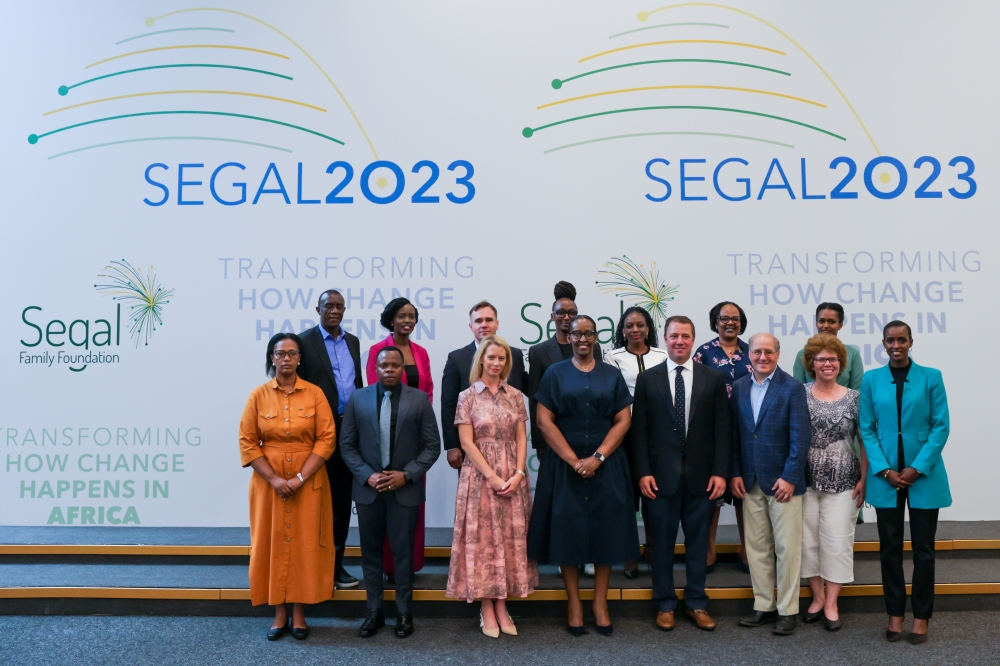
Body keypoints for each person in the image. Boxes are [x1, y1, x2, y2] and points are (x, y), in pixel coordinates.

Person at [527, 315, 638, 636]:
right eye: (577, 334)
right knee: (567, 532)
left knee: (606, 531)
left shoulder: (610, 374)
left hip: (607, 464)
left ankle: (600, 603)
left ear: (596, 336)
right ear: (568, 335)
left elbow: (623, 420)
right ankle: (574, 603)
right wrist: (575, 460)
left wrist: (598, 457)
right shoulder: (554, 373)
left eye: (589, 333)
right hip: (564, 466)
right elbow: (544, 421)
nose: (583, 339)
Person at [630, 316, 731, 632]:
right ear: (665, 337)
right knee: (660, 544)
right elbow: (639, 432)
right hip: (659, 479)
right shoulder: (649, 379)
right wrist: (643, 472)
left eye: (685, 336)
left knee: (698, 545)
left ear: (693, 339)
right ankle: (664, 604)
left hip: (702, 479)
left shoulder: (712, 378)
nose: (679, 341)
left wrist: (720, 473)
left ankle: (697, 603)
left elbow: (722, 431)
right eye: (674, 336)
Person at [238, 333, 336, 641]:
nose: (286, 359)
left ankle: (299, 614)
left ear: (299, 359)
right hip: (269, 483)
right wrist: (276, 479)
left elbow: (327, 439)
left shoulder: (315, 394)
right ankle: (278, 613)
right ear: (272, 358)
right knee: (273, 542)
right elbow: (248, 442)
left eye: (292, 354)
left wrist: (299, 478)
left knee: (306, 544)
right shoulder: (258, 396)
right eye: (280, 354)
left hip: (309, 480)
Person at [339, 346, 442, 638]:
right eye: (384, 365)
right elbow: (347, 446)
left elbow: (432, 446)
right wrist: (367, 476)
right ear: (375, 368)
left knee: (403, 555)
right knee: (370, 554)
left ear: (402, 369)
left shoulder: (419, 400)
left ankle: (404, 613)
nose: (389, 370)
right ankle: (374, 612)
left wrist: (406, 475)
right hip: (368, 490)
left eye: (395, 365)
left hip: (404, 490)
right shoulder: (357, 399)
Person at [860, 321, 950, 645]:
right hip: (887, 479)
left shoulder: (931, 377)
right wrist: (884, 470)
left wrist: (916, 468)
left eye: (902, 340)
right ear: (883, 343)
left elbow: (941, 427)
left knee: (924, 550)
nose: (896, 345)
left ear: (911, 341)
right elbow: (867, 429)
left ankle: (922, 616)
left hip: (923, 475)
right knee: (890, 549)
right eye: (890, 340)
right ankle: (895, 613)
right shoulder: (870, 380)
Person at [446, 335, 538, 637]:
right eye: (492, 358)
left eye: (502, 359)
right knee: (484, 540)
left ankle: (502, 603)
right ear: (481, 360)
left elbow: (522, 437)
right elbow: (466, 443)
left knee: (510, 540)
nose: (497, 363)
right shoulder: (467, 396)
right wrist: (494, 478)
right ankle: (486, 607)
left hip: (513, 476)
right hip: (480, 479)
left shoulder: (515, 395)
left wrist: (520, 473)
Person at [730, 332, 810, 636]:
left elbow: (800, 438)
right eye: (757, 352)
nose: (762, 357)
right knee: (757, 548)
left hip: (783, 484)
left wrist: (790, 477)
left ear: (778, 354)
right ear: (748, 354)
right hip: (749, 482)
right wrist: (735, 472)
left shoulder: (792, 388)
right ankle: (762, 605)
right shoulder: (738, 388)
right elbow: (736, 436)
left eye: (768, 352)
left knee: (788, 549)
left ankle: (788, 610)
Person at [799, 333, 868, 632]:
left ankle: (831, 602)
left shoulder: (855, 398)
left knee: (837, 542)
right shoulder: (797, 394)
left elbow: (864, 440)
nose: (827, 364)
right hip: (803, 481)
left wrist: (865, 478)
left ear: (841, 364)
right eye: (821, 359)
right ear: (811, 363)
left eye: (833, 359)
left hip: (845, 480)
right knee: (807, 541)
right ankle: (816, 596)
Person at [297, 289, 364, 590]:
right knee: (311, 505)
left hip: (348, 432)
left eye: (339, 306)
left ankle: (336, 567)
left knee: (340, 504)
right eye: (328, 306)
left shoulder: (353, 341)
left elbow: (357, 385)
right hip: (315, 435)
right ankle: (311, 569)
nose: (334, 311)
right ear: (318, 309)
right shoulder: (303, 342)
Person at [366, 297, 433, 578]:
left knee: (410, 504)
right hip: (383, 439)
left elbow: (427, 392)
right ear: (391, 320)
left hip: (414, 442)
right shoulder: (377, 350)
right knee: (386, 506)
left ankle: (408, 566)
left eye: (412, 316)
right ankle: (387, 566)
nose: (408, 321)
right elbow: (373, 392)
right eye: (402, 316)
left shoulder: (421, 351)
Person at [605, 306, 667, 578]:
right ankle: (630, 555)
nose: (635, 330)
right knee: (628, 498)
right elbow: (614, 394)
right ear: (622, 330)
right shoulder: (612, 357)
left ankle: (653, 549)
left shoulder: (663, 356)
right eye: (629, 325)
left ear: (648, 328)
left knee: (654, 496)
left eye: (640, 325)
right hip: (625, 435)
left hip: (658, 435)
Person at [692, 301, 751, 573]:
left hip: (746, 429)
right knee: (712, 491)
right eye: (724, 318)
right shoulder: (704, 352)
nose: (730, 323)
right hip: (712, 429)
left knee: (744, 491)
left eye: (735, 319)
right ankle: (708, 549)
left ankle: (748, 550)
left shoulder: (752, 353)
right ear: (715, 321)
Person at [441, 301, 527, 471]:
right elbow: (449, 404)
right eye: (479, 321)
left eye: (489, 320)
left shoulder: (514, 355)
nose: (484, 325)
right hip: (471, 448)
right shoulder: (457, 358)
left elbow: (524, 390)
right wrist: (452, 445)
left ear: (497, 324)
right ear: (471, 326)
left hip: (509, 452)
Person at [527, 281, 603, 453]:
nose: (566, 317)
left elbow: (599, 387)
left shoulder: (593, 347)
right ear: (552, 315)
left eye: (571, 313)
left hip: (589, 433)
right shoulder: (538, 352)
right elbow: (535, 399)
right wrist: (539, 442)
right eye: (560, 312)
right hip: (553, 435)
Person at [792, 303, 864, 389]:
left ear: (840, 325)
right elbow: (797, 390)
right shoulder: (802, 354)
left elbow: (857, 391)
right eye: (821, 321)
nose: (826, 325)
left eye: (831, 322)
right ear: (816, 324)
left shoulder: (852, 353)